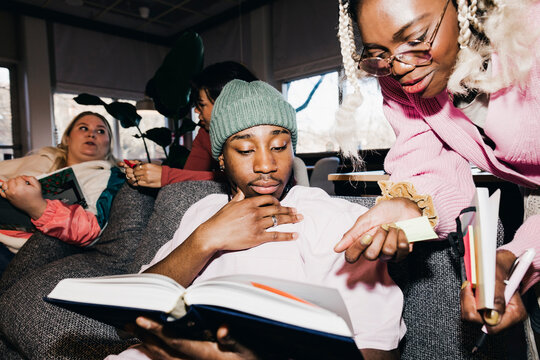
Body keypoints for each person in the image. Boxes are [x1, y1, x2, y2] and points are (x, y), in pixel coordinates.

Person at [107, 80, 405, 360]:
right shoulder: (202, 211)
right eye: (246, 150)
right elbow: (131, 313)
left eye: (279, 147)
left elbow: (378, 349)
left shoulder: (330, 218)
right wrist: (205, 240)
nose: (266, 165)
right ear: (221, 158)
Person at [333, 0, 540, 336]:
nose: (398, 67)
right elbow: (429, 166)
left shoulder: (532, 29)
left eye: (415, 40)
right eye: (379, 53)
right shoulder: (402, 81)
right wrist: (412, 205)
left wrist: (521, 254)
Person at [0, 111, 124, 273]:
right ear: (67, 138)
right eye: (83, 128)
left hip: (26, 252)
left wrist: (39, 208)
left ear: (109, 143)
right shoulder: (42, 159)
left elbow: (91, 230)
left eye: (100, 131)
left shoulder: (108, 176)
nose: (92, 134)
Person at [121, 61, 257, 187]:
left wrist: (166, 176)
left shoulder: (261, 132)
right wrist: (144, 174)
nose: (196, 110)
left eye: (202, 104)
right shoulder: (205, 133)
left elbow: (244, 179)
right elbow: (190, 176)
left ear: (227, 104)